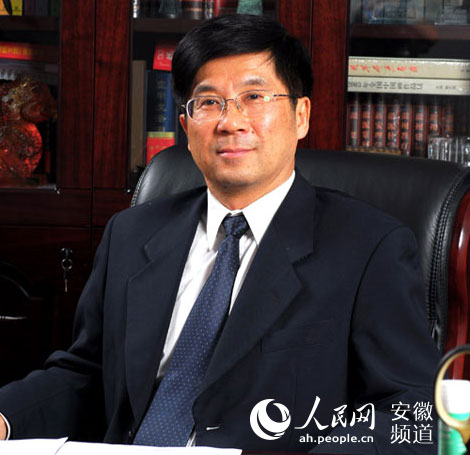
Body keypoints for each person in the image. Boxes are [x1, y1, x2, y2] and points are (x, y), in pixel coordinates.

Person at [0, 14, 438, 454]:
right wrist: (4, 418)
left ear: (301, 116)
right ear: (186, 126)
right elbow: (86, 375)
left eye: (254, 97)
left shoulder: (368, 247)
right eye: (209, 102)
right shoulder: (131, 233)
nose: (231, 122)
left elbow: (414, 413)